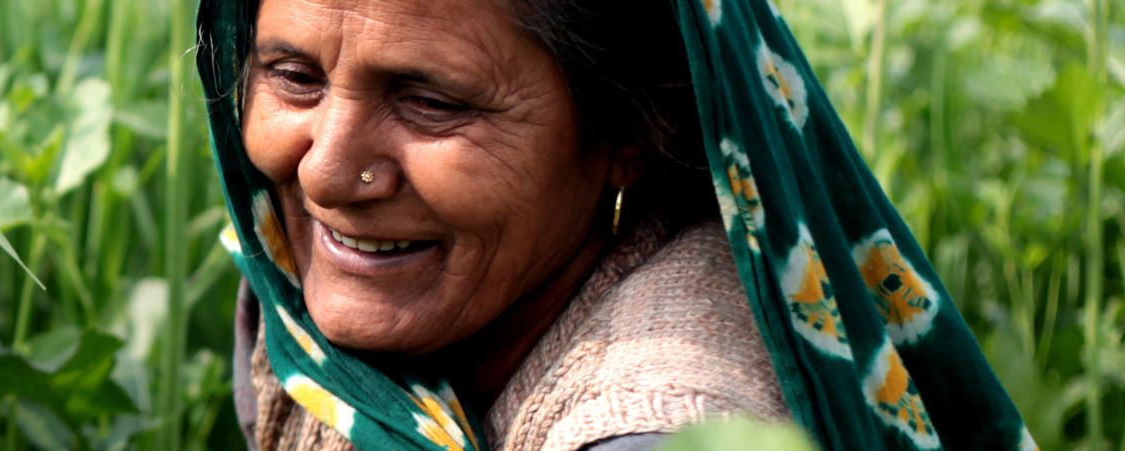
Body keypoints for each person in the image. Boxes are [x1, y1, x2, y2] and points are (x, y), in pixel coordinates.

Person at [195, 0, 1035, 449]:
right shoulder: (293, 306)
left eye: (431, 102)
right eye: (294, 76)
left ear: (633, 129)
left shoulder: (665, 424)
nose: (325, 172)